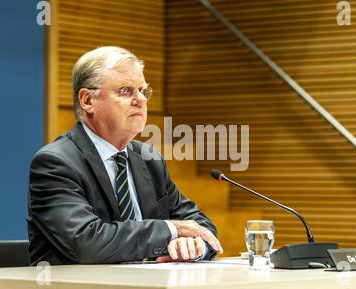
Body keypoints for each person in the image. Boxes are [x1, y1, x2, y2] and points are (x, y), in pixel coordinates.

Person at [27, 46, 223, 265]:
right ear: (87, 100)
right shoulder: (56, 163)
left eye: (143, 90)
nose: (140, 99)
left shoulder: (148, 159)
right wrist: (170, 230)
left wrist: (192, 247)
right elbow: (86, 242)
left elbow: (200, 226)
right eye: (125, 91)